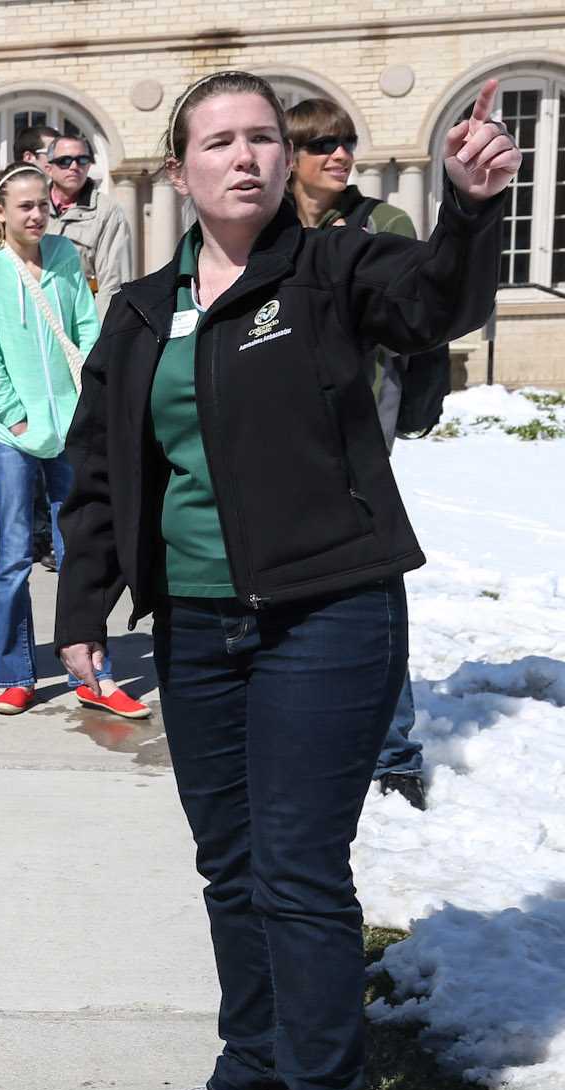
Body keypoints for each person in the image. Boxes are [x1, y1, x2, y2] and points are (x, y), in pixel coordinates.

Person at [56, 72, 514, 1090]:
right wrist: (83, 600)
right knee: (228, 861)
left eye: (263, 136)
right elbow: (102, 469)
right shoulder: (140, 309)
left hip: (326, 612)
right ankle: (249, 1072)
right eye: (219, 141)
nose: (247, 157)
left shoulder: (333, 269)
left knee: (298, 867)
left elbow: (432, 306)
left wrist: (465, 210)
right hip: (197, 626)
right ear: (178, 172)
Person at [0, 164, 149, 721]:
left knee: (82, 554)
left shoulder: (66, 257)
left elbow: (87, 329)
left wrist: (90, 401)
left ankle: (94, 671)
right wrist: (16, 418)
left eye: (42, 204)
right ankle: (16, 673)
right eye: (24, 206)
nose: (37, 214)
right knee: (14, 557)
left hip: (71, 430)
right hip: (12, 437)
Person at [286, 97, 429, 811]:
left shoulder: (383, 223)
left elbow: (413, 313)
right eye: (322, 145)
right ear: (292, 157)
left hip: (361, 422)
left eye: (346, 143)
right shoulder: (270, 226)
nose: (339, 155)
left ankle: (396, 749)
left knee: (371, 578)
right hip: (281, 432)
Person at [44, 129, 136, 316]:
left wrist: (98, 339)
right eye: (65, 161)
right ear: (49, 168)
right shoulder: (32, 207)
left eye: (82, 160)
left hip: (80, 322)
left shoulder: (107, 212)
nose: (74, 166)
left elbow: (113, 284)